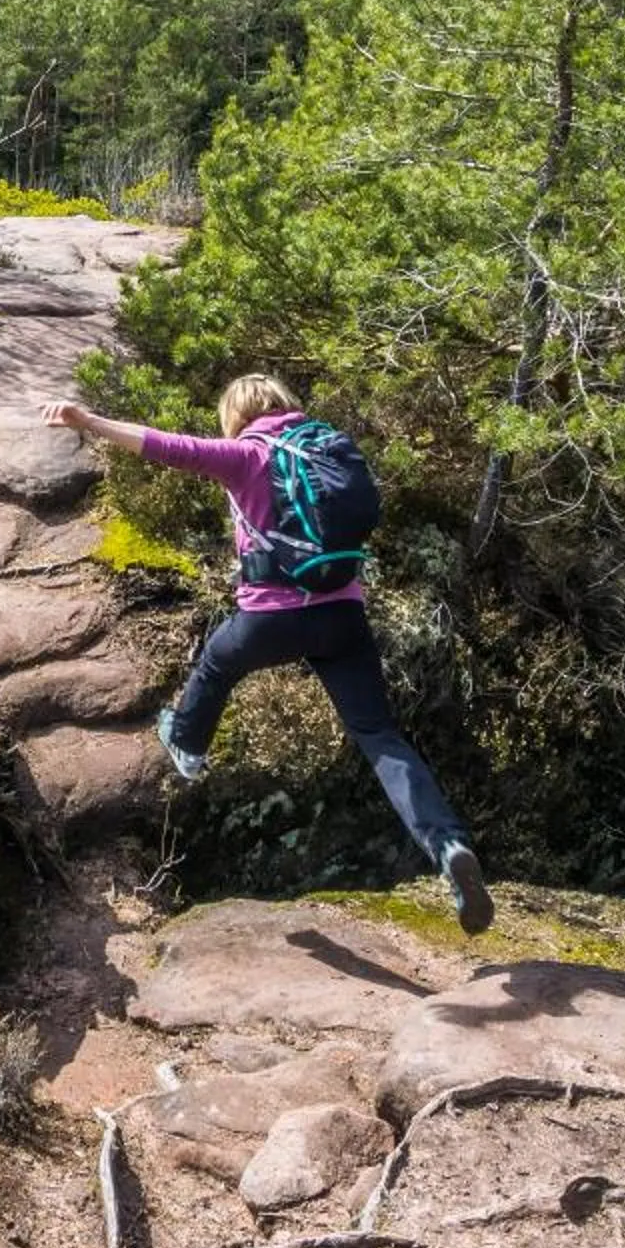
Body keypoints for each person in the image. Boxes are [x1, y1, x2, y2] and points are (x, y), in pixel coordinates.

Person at [39, 375, 495, 936]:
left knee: (217, 661)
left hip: (270, 619)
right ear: (284, 403)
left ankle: (186, 747)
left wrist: (88, 421)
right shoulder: (332, 445)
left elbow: (163, 445)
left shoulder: (247, 455)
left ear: (236, 415)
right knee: (381, 737)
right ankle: (447, 845)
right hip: (342, 619)